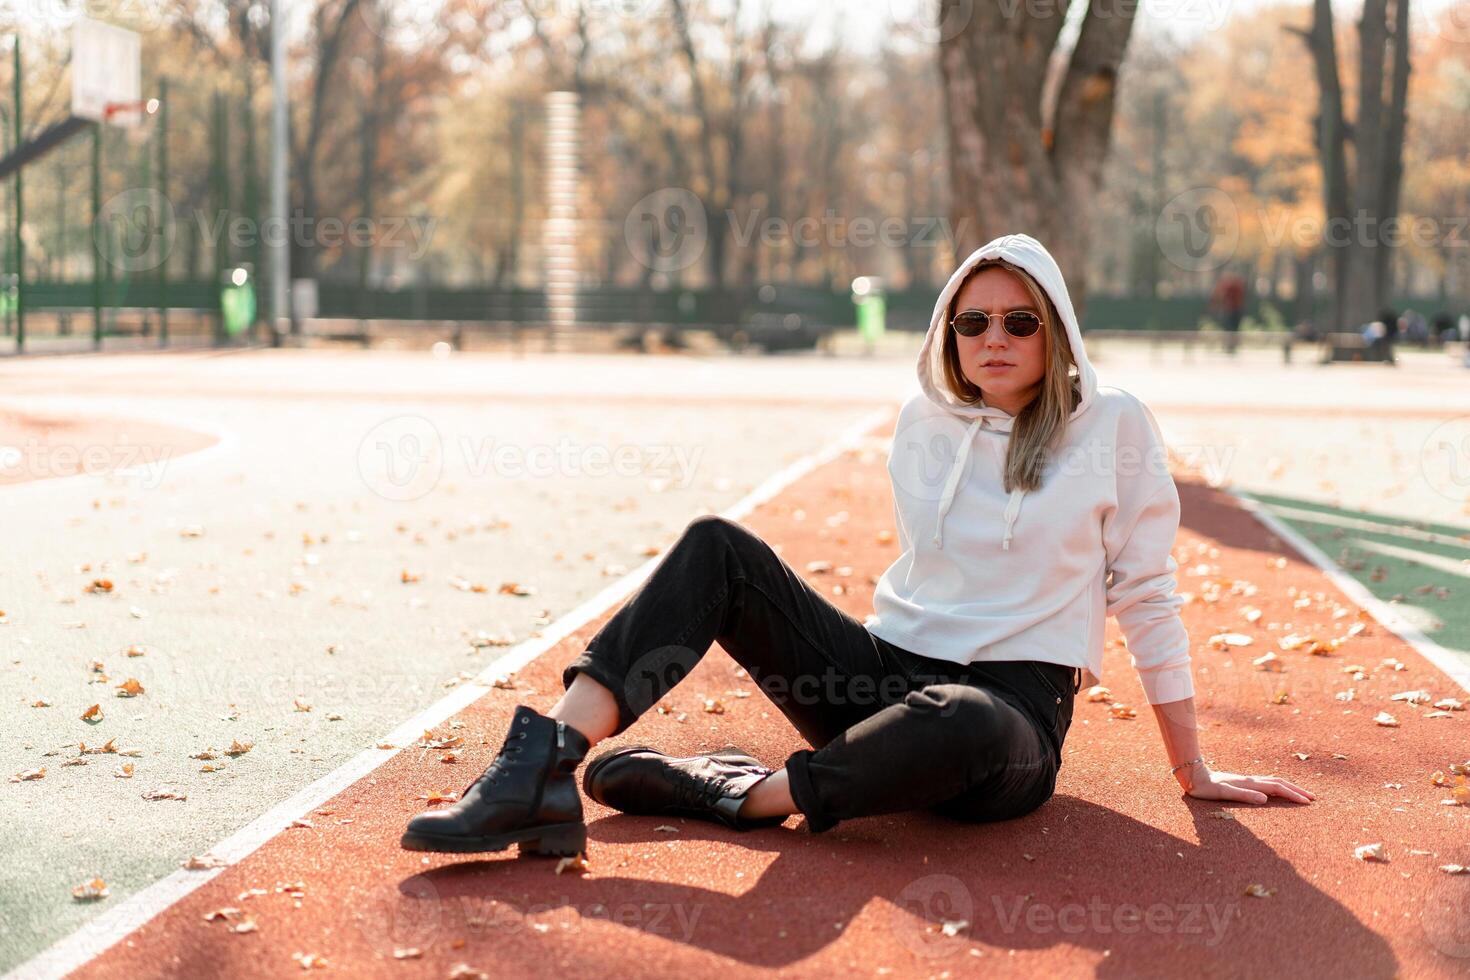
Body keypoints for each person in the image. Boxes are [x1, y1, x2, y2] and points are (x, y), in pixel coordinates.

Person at [398, 233, 1314, 857]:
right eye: (973, 322)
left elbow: (1147, 592)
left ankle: (743, 795)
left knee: (961, 713)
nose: (994, 338)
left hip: (1009, 719)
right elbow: (937, 575)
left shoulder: (1112, 426)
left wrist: (1193, 769)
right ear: (949, 334)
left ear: (1058, 335)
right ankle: (539, 768)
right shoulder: (924, 424)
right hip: (876, 678)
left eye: (1020, 321)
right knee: (717, 546)